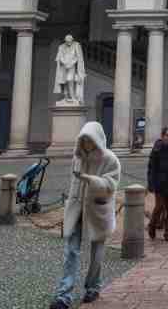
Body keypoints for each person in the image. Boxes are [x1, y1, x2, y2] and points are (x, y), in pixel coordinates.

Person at [49, 121, 120, 309]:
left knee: (96, 252)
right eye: (83, 140)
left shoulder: (110, 159)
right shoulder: (77, 157)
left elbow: (111, 186)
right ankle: (63, 295)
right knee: (70, 251)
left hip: (98, 211)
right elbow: (73, 183)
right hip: (77, 209)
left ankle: (93, 287)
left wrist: (90, 180)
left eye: (89, 140)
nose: (86, 143)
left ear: (97, 140)